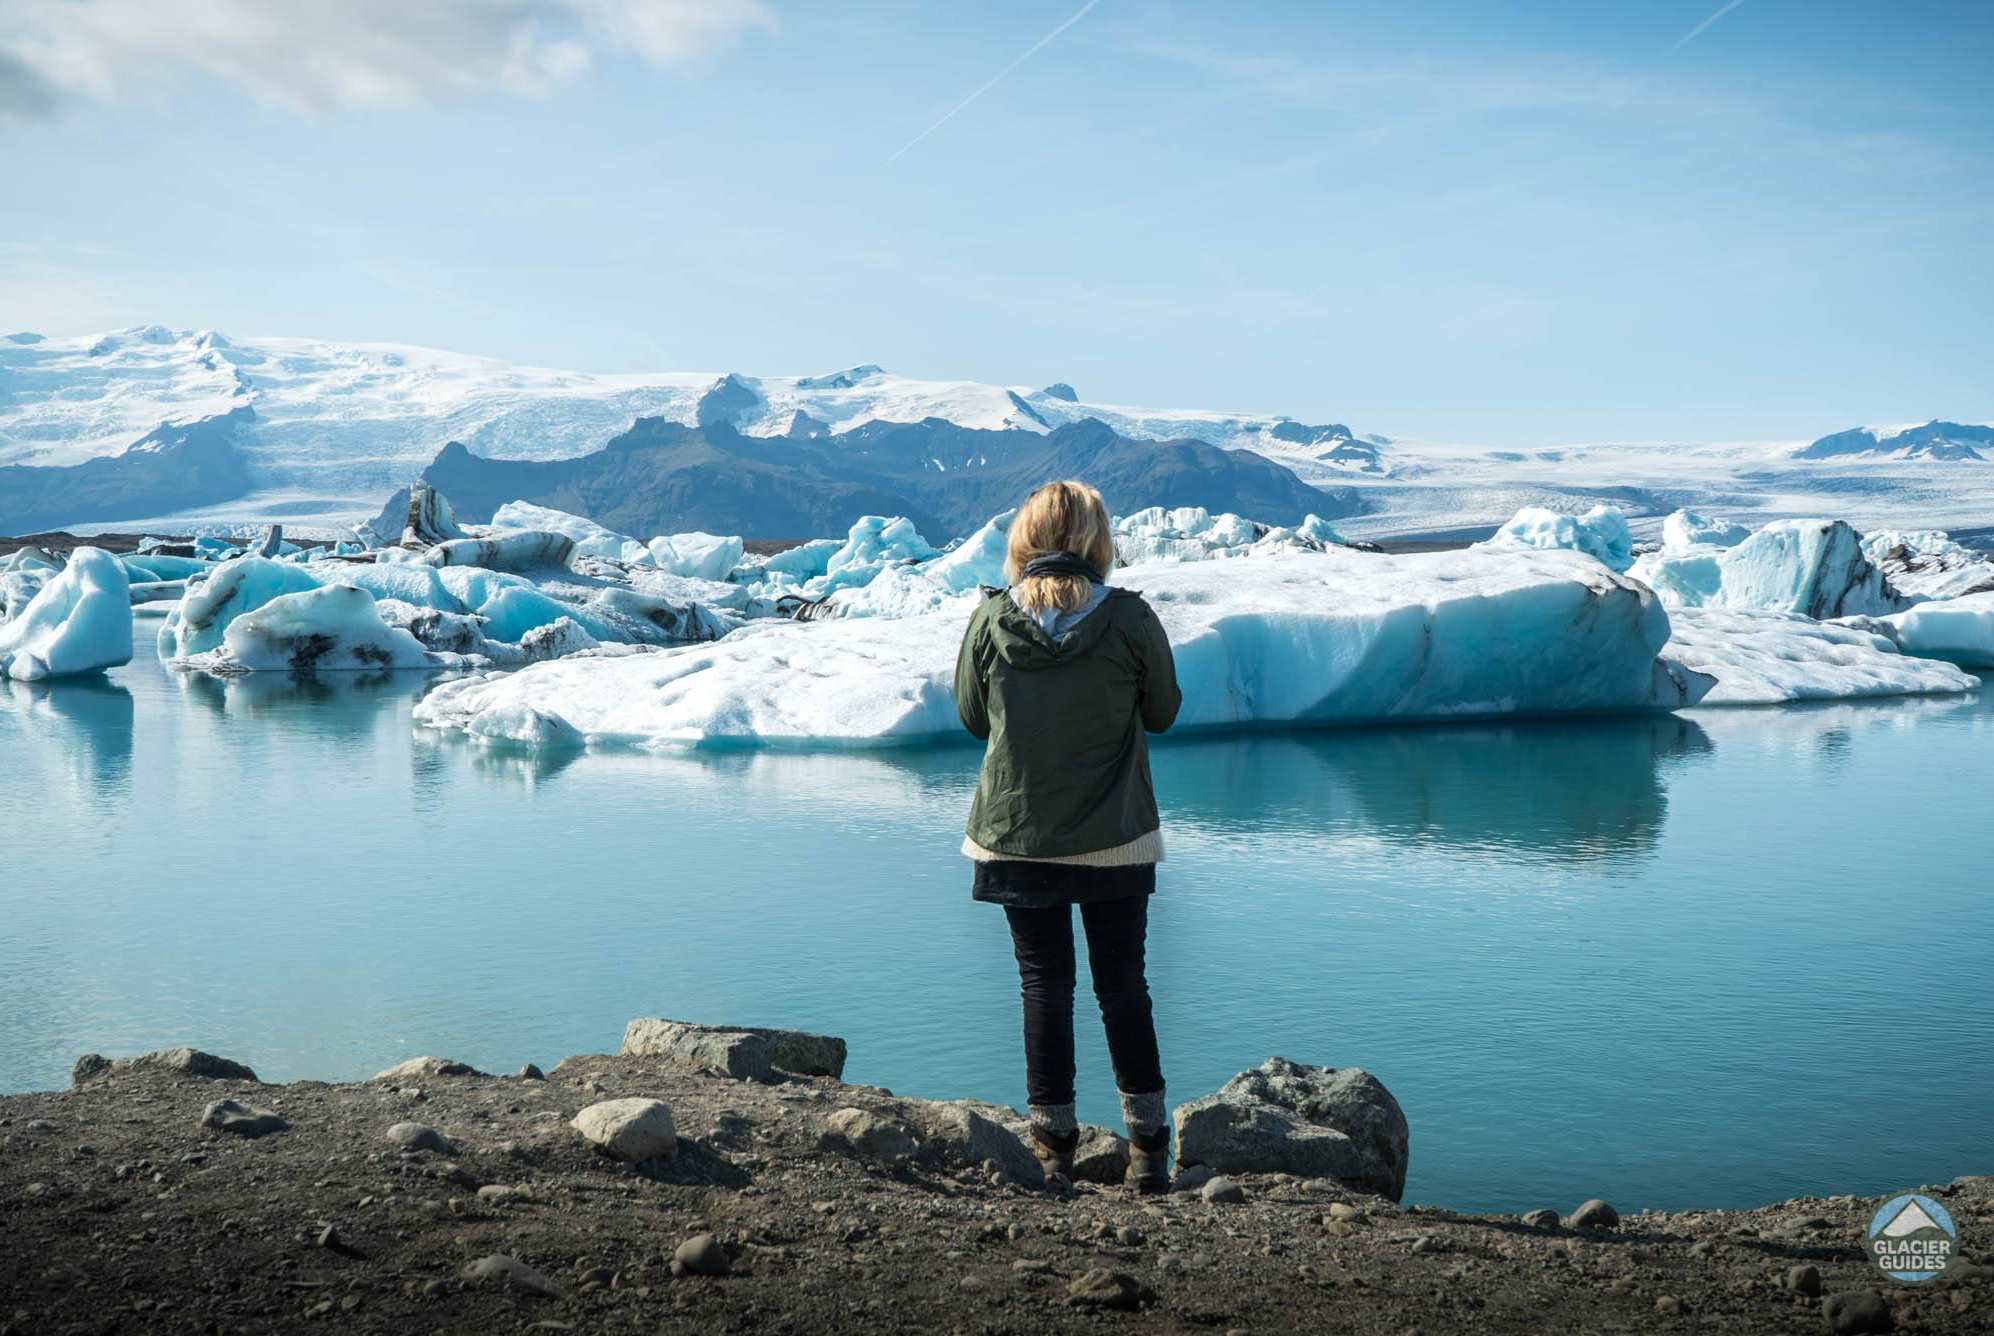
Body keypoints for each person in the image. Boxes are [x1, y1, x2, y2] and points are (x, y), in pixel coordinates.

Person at [952, 480, 1183, 1192]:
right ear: (1095, 541)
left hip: (1017, 835)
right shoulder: (1131, 618)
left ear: (1024, 539)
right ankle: (1147, 1147)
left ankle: (1052, 1145)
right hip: (1114, 836)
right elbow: (1164, 712)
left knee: (1043, 987)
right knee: (1123, 986)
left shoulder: (990, 620)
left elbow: (970, 717)